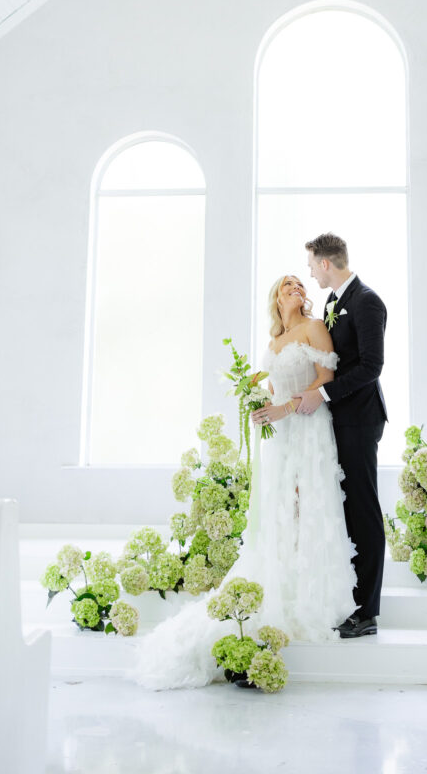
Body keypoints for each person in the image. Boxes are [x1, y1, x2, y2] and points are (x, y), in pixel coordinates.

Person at [132, 274, 356, 690]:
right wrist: (258, 402)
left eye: (299, 283)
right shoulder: (273, 343)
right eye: (287, 283)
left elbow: (324, 381)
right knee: (279, 508)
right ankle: (281, 576)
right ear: (276, 297)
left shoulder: (314, 327)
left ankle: (307, 589)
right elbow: (273, 387)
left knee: (305, 502)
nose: (296, 287)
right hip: (280, 432)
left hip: (307, 427)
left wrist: (285, 409)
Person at [295, 233, 387, 639]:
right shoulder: (334, 303)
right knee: (344, 509)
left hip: (361, 419)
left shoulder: (367, 301)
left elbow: (371, 366)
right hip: (336, 420)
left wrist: (323, 393)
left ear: (327, 264)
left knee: (363, 509)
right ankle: (346, 599)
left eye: (312, 265)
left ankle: (367, 612)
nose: (310, 272)